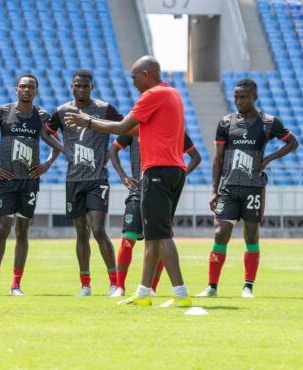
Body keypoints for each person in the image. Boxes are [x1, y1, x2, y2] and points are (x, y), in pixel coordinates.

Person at [65, 56, 191, 307]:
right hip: (174, 170)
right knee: (154, 235)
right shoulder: (172, 94)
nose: (132, 82)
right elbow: (134, 129)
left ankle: (181, 295)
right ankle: (143, 294)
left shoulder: (152, 95)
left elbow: (123, 126)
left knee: (162, 234)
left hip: (158, 170)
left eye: (134, 77)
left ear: (146, 75)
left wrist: (87, 122)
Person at [196, 78, 298, 299]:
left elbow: (293, 143)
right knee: (220, 233)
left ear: (254, 97)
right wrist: (214, 190)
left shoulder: (268, 122)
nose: (239, 101)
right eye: (236, 97)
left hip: (253, 188)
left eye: (243, 97)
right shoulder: (225, 123)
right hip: (229, 188)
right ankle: (212, 286)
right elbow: (218, 158)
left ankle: (248, 286)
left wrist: (269, 158)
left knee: (251, 237)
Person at [0, 74, 64, 295]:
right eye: (23, 86)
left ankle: (16, 285)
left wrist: (48, 164)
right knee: (2, 229)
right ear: (16, 89)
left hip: (30, 183)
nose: (26, 89)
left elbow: (56, 143)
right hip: (6, 181)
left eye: (31, 86)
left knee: (22, 231)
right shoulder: (3, 112)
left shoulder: (42, 116)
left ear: (36, 91)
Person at [47, 70, 124, 296]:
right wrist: (63, 149)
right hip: (74, 180)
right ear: (71, 86)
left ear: (92, 87)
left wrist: (112, 151)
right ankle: (85, 285)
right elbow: (45, 131)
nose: (81, 89)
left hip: (97, 178)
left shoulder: (104, 109)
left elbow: (125, 127)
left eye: (85, 86)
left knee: (98, 229)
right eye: (77, 86)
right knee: (81, 232)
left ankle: (114, 283)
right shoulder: (62, 111)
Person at [108, 131, 200, 297]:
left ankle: (152, 289)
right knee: (129, 237)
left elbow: (196, 156)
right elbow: (113, 149)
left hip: (161, 189)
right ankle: (120, 287)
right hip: (138, 190)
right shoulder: (134, 127)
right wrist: (123, 176)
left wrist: (181, 174)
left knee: (159, 238)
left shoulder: (174, 130)